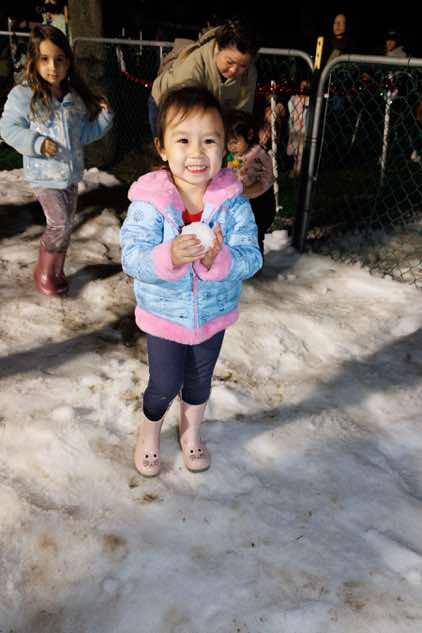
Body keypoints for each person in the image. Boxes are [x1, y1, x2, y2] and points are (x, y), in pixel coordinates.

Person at [120, 85, 262, 476]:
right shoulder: (151, 203)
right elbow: (132, 257)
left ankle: (190, 432)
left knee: (200, 382)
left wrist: (222, 259)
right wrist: (168, 256)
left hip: (213, 315)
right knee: (164, 383)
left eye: (209, 141)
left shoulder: (233, 203)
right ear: (162, 148)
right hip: (164, 316)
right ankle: (149, 431)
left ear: (224, 147)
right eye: (183, 140)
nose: (197, 152)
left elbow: (252, 257)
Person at [0, 24, 113, 296]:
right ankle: (45, 271)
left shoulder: (73, 98)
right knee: (59, 223)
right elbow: (8, 128)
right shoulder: (24, 95)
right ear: (34, 60)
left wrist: (104, 118)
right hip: (44, 176)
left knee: (65, 226)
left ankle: (57, 269)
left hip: (70, 175)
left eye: (59, 59)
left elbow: (83, 134)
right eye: (45, 59)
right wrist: (37, 143)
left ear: (68, 62)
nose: (53, 67)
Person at [148, 17, 258, 136]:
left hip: (209, 113)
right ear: (217, 48)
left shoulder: (249, 73)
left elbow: (242, 114)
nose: (234, 70)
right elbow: (186, 115)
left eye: (243, 66)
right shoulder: (193, 66)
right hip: (169, 103)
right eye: (229, 62)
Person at [225, 109, 275, 256]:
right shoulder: (231, 156)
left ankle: (256, 264)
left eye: (235, 142)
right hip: (241, 202)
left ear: (249, 134)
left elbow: (268, 177)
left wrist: (252, 189)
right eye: (228, 142)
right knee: (240, 233)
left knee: (255, 234)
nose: (231, 147)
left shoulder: (259, 153)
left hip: (260, 202)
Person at [286, 79, 310, 177]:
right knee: (293, 150)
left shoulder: (308, 100)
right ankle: (295, 168)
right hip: (294, 127)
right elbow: (290, 107)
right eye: (301, 85)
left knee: (300, 150)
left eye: (305, 86)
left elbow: (306, 114)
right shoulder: (294, 98)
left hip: (303, 128)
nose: (302, 87)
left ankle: (297, 170)